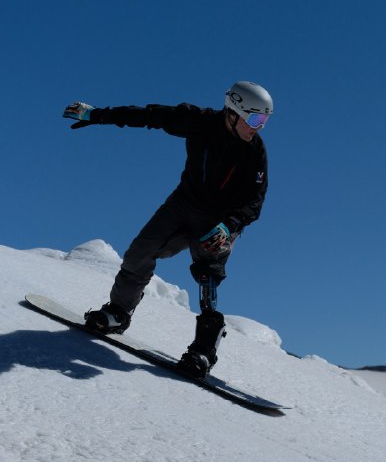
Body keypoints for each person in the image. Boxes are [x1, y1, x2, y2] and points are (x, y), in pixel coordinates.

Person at [62, 81, 273, 379]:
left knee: (207, 276)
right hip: (182, 205)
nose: (259, 128)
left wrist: (230, 225)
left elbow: (255, 201)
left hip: (220, 222)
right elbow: (150, 116)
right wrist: (97, 115)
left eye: (264, 121)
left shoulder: (255, 153)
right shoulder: (199, 122)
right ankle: (118, 313)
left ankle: (203, 351)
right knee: (139, 252)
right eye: (255, 119)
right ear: (233, 113)